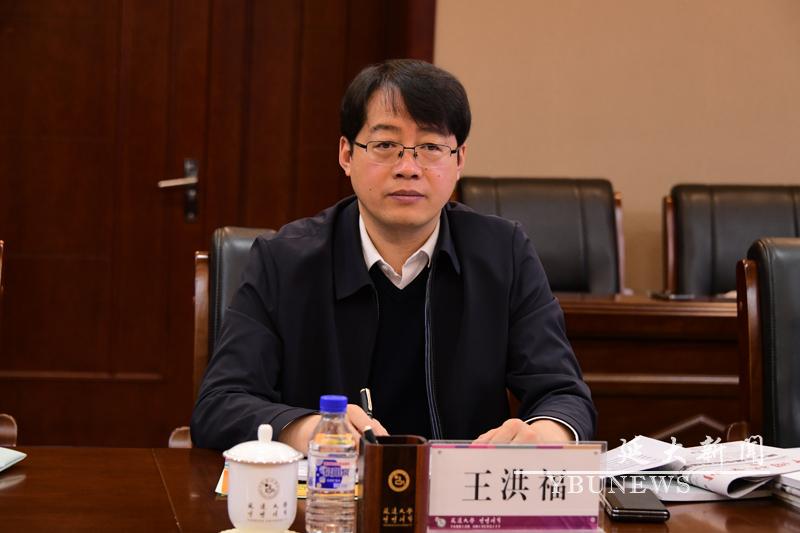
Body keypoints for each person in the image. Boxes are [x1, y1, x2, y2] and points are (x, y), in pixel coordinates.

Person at [190, 59, 596, 452]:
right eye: (385, 145)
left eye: (431, 147)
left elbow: (563, 394)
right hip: (331, 490)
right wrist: (313, 429)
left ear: (459, 160)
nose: (408, 167)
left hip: (461, 492)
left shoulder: (503, 253)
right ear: (346, 155)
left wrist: (546, 434)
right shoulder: (283, 260)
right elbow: (219, 404)